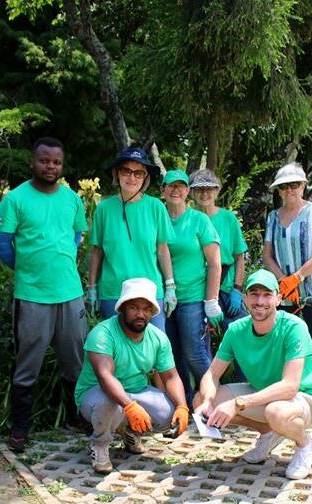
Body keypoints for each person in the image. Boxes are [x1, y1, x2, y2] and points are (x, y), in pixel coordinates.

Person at [0, 137, 89, 452]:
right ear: (33, 162)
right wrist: (29, 270)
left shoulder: (73, 200)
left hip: (70, 293)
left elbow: (76, 236)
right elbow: (4, 245)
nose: (51, 167)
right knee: (27, 363)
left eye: (56, 162)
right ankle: (21, 427)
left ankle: (77, 417)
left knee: (75, 360)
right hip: (32, 296)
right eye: (44, 160)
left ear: (62, 165)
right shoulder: (16, 199)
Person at [194, 269, 312, 480]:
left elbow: (290, 386)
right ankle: (268, 433)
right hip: (263, 393)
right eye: (254, 294)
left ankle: (303, 444)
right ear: (245, 298)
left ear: (278, 298)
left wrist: (238, 403)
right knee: (201, 399)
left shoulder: (294, 327)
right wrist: (208, 401)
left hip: (304, 398)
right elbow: (212, 374)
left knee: (277, 413)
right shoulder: (236, 330)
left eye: (267, 295)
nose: (260, 301)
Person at [74, 278, 189, 474]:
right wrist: (130, 406)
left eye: (146, 309)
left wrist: (182, 406)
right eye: (134, 307)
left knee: (168, 413)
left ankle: (129, 431)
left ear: (153, 312)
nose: (140, 314)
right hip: (98, 394)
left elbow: (170, 376)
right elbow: (105, 377)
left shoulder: (158, 338)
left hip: (137, 391)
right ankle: (100, 445)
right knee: (110, 404)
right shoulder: (103, 333)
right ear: (122, 308)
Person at [87, 147, 175, 332]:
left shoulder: (156, 207)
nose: (131, 177)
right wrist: (92, 287)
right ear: (117, 174)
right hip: (113, 292)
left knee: (155, 354)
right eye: (126, 171)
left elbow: (162, 250)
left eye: (138, 173)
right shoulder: (104, 208)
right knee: (117, 354)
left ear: (145, 178)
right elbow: (97, 251)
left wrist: (170, 286)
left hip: (150, 293)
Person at [262, 162, 312, 378]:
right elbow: (267, 256)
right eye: (284, 186)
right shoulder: (273, 217)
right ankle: (284, 386)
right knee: (283, 338)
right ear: (279, 191)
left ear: (303, 185)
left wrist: (297, 278)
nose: (289, 189)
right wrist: (284, 281)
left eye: (294, 184)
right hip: (284, 291)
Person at [161, 169, 222, 404]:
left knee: (195, 354)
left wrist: (211, 301)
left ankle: (215, 402)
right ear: (163, 190)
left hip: (193, 299)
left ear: (188, 191)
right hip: (164, 300)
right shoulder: (158, 217)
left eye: (181, 186)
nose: (176, 190)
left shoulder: (199, 220)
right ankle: (184, 405)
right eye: (171, 186)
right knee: (172, 357)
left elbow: (215, 263)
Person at [188, 169, 248, 330]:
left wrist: (237, 289)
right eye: (200, 189)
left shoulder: (228, 218)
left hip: (227, 288)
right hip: (198, 290)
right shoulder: (187, 218)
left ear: (217, 191)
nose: (205, 193)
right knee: (201, 340)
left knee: (243, 333)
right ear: (191, 192)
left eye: (209, 189)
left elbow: (239, 257)